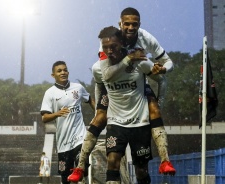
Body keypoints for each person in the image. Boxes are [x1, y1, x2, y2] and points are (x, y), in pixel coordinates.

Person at [68, 7, 175, 182]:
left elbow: (165, 69)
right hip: (112, 89)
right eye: (127, 24)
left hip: (137, 88)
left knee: (154, 109)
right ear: (120, 24)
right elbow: (104, 77)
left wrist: (162, 69)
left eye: (135, 24)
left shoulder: (144, 45)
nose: (131, 28)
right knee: (100, 119)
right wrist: (98, 110)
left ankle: (165, 161)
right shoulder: (108, 42)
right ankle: (80, 166)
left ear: (139, 25)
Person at [40, 61, 95, 184]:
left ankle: (82, 175)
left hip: (80, 136)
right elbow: (44, 118)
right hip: (63, 142)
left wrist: (98, 114)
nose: (63, 72)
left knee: (82, 160)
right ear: (53, 75)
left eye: (65, 70)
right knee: (66, 180)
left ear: (68, 72)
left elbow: (90, 99)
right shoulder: (50, 93)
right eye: (59, 71)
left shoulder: (78, 88)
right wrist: (57, 114)